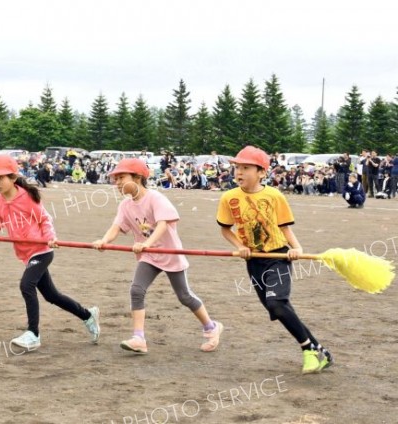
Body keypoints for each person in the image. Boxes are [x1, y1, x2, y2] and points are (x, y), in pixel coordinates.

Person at [216, 145, 333, 374]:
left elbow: (285, 227)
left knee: (276, 303)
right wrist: (240, 246)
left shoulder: (274, 196)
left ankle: (308, 350)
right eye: (237, 167)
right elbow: (225, 229)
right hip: (254, 261)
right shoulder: (229, 198)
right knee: (280, 309)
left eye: (246, 167)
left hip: (278, 256)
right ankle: (322, 352)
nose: (239, 172)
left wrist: (296, 248)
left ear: (261, 172)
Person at [93, 158, 223, 355]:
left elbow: (163, 225)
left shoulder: (155, 198)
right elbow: (117, 227)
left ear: (138, 178)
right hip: (149, 256)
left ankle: (211, 327)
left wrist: (146, 243)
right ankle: (139, 338)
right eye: (115, 178)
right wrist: (104, 241)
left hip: (170, 254)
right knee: (137, 290)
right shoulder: (126, 205)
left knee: (185, 296)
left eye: (121, 177)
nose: (117, 182)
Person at [0, 155, 100, 351]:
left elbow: (44, 219)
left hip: (41, 251)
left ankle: (33, 334)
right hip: (24, 253)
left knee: (26, 285)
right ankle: (87, 315)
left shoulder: (27, 197)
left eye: (1, 178)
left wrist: (51, 237)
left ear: (13, 178)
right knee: (52, 296)